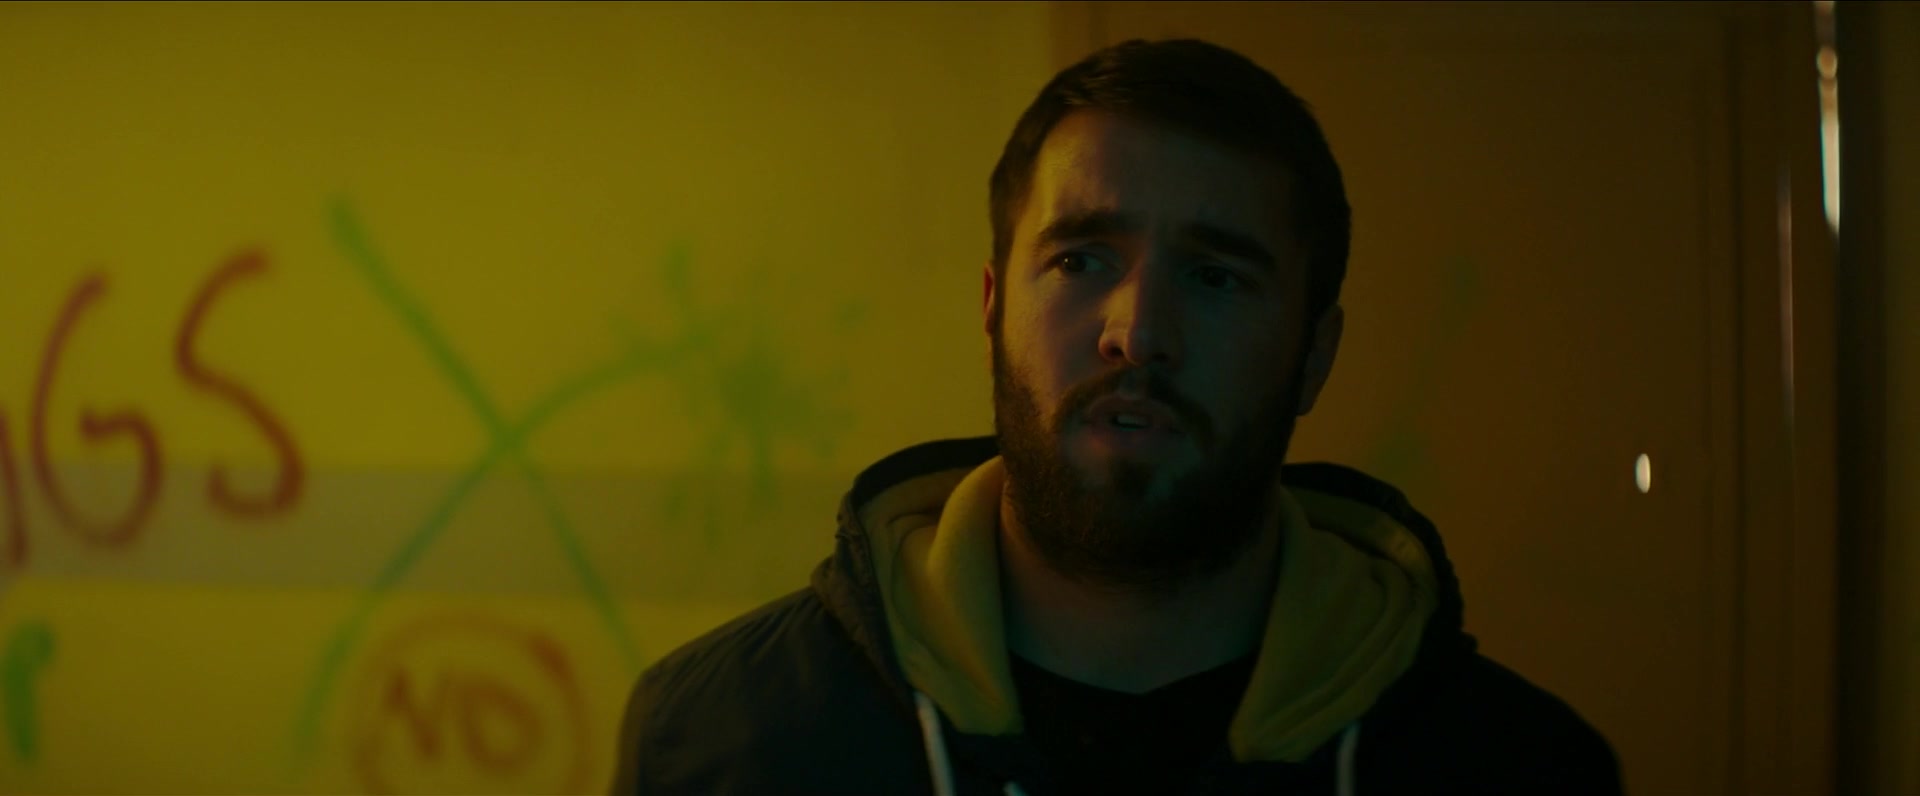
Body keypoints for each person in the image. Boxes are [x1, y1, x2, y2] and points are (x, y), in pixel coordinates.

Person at [611, 38, 1620, 796]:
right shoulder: (723, 743)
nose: (1138, 334)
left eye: (1216, 276)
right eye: (1081, 259)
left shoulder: (1519, 769)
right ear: (994, 311)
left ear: (1315, 354)